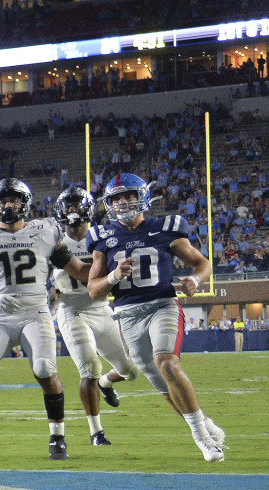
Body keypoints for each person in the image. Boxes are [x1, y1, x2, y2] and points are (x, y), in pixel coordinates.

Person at [86, 173, 226, 462]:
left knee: (167, 364)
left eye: (129, 196)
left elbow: (202, 263)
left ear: (142, 197)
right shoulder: (103, 236)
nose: (123, 203)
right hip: (127, 315)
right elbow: (93, 290)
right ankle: (206, 426)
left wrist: (196, 281)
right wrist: (113, 275)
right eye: (117, 198)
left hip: (162, 305)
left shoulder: (165, 228)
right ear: (109, 203)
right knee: (161, 382)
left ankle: (202, 439)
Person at [0, 178, 92, 460]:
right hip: (0, 315)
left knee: (45, 370)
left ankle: (57, 437)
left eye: (14, 200)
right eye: (3, 201)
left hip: (36, 313)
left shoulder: (45, 231)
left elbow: (78, 269)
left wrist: (112, 273)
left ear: (24, 203)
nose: (8, 205)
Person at [50, 186, 140, 446]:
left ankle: (106, 382)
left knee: (131, 370)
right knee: (89, 367)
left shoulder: (105, 235)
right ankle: (96, 432)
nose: (73, 211)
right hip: (72, 309)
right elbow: (81, 272)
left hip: (101, 308)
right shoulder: (53, 241)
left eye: (77, 205)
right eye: (68, 206)